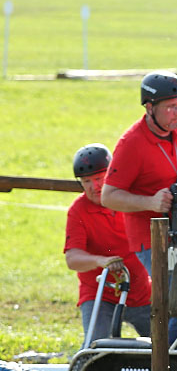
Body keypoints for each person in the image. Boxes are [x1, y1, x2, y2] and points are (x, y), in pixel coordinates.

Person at [101, 71, 177, 274]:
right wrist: (150, 203)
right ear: (149, 107)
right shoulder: (131, 144)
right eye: (171, 107)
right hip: (153, 239)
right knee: (174, 291)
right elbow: (108, 196)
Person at [65, 144, 152, 344]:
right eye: (86, 181)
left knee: (166, 345)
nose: (93, 187)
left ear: (112, 174)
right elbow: (72, 258)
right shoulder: (78, 211)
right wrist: (101, 261)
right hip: (99, 294)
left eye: (98, 178)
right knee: (95, 347)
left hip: (141, 292)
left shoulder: (127, 201)